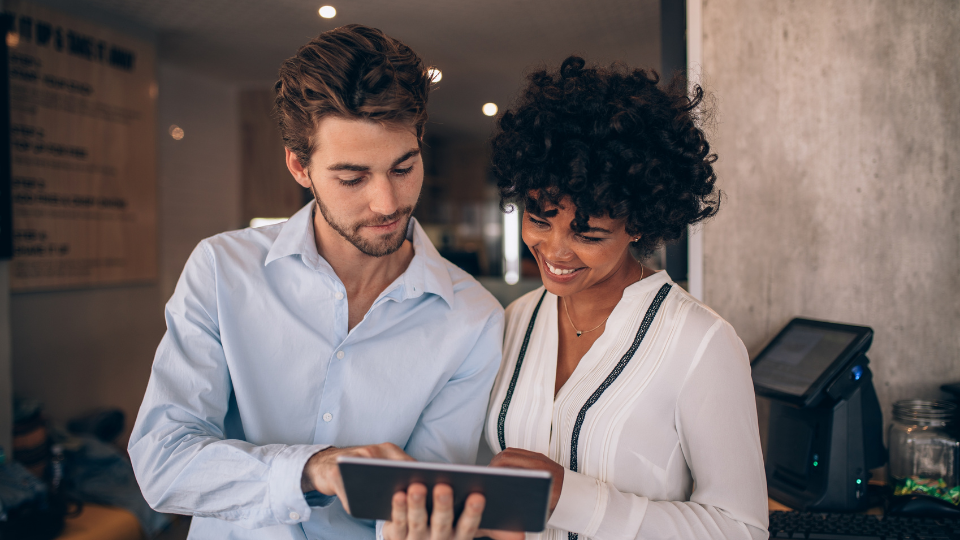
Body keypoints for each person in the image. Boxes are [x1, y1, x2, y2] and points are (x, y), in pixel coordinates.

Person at [129, 25, 504, 540]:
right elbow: (162, 460)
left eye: (403, 167)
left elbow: (423, 502)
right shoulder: (222, 270)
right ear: (299, 167)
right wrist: (315, 469)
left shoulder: (473, 317)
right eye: (352, 178)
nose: (387, 203)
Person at [483, 57, 769, 540]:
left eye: (588, 234)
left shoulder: (702, 344)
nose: (554, 252)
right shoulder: (515, 319)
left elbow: (742, 528)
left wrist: (566, 498)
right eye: (538, 219)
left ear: (638, 223)